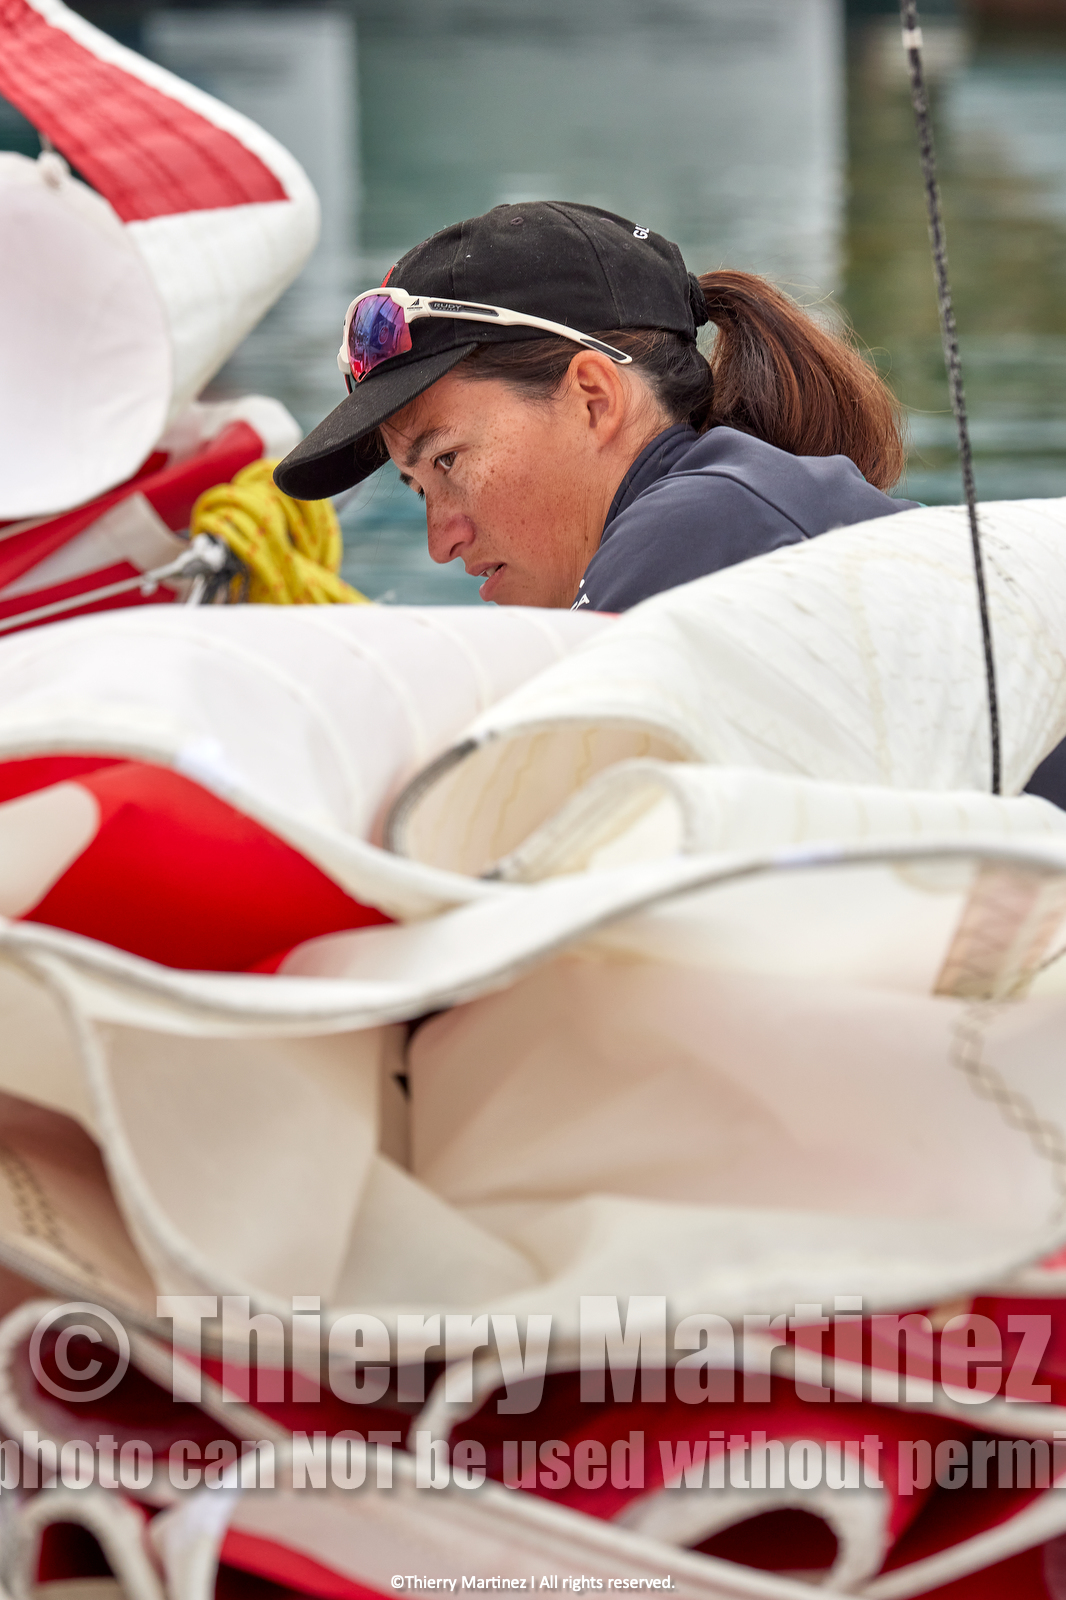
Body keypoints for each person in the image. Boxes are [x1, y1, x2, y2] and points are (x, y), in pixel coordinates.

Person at [275, 201, 918, 615]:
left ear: (594, 397)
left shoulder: (698, 531)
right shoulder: (742, 507)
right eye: (419, 490)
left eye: (448, 459)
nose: (442, 541)